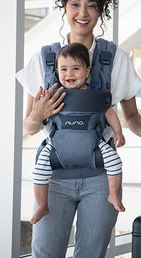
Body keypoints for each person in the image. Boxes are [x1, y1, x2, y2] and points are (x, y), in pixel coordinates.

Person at [16, 0, 141, 258]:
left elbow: (132, 116)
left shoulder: (116, 59)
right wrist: (38, 114)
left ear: (102, 10)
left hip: (101, 180)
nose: (82, 13)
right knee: (45, 253)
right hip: (53, 179)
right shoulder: (44, 60)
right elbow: (30, 126)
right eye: (75, 4)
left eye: (92, 5)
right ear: (64, 6)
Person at [31, 42, 127, 225]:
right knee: (39, 169)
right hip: (57, 145)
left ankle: (113, 195)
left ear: (88, 70)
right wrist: (41, 102)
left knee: (115, 161)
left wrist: (118, 132)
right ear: (57, 71)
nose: (69, 74)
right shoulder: (53, 94)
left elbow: (108, 112)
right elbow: (35, 118)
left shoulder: (95, 94)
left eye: (76, 68)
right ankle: (42, 205)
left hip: (92, 144)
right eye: (64, 69)